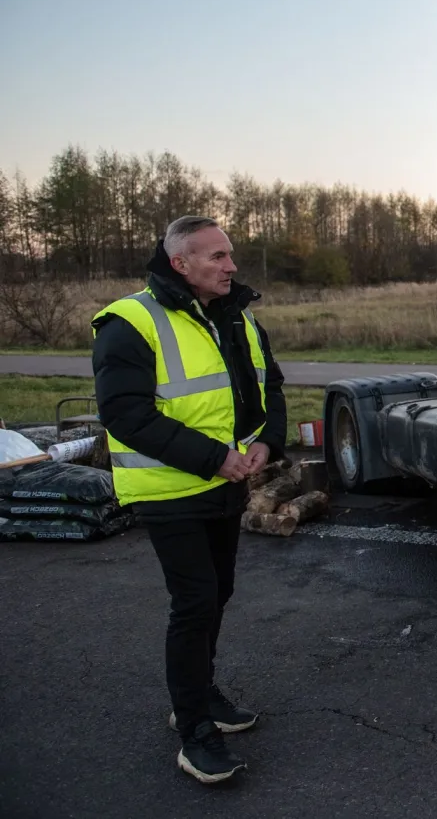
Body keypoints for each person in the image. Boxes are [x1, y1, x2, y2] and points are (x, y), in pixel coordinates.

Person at [92, 215, 286, 782]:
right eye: (217, 257)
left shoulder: (238, 316)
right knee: (196, 599)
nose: (231, 266)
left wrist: (268, 441)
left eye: (230, 255)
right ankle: (194, 732)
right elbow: (125, 415)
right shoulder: (129, 322)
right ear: (181, 264)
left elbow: (268, 383)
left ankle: (197, 694)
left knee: (217, 590)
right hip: (168, 488)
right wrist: (212, 457)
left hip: (223, 482)